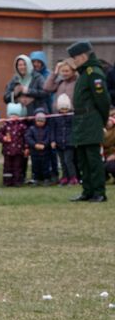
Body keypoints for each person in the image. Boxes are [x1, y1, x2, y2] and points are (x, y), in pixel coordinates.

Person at [67, 40, 110, 202]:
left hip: (91, 119)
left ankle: (99, 192)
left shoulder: (94, 73)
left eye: (75, 57)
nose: (74, 61)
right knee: (82, 158)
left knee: (93, 158)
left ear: (84, 56)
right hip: (80, 120)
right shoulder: (84, 73)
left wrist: (104, 120)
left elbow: (103, 100)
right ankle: (87, 191)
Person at [0, 104, 29, 187]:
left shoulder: (22, 126)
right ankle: (7, 182)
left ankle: (17, 181)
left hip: (18, 151)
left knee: (17, 166)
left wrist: (26, 148)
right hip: (7, 150)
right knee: (7, 167)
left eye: (16, 115)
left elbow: (26, 137)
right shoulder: (5, 125)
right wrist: (3, 138)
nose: (13, 117)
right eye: (12, 115)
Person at [51, 94, 77, 185]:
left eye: (66, 109)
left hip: (69, 143)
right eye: (62, 109)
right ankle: (65, 177)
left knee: (68, 161)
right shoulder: (55, 118)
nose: (64, 111)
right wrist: (53, 140)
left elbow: (75, 129)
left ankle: (73, 177)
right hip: (59, 143)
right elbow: (53, 130)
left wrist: (74, 140)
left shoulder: (72, 117)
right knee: (62, 162)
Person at [26, 111, 56, 184]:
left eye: (42, 121)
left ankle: (46, 178)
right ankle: (36, 178)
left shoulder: (47, 129)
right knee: (35, 166)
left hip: (45, 152)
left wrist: (44, 145)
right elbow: (28, 137)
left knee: (45, 166)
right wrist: (35, 145)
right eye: (38, 121)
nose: (40, 123)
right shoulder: (31, 129)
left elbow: (49, 138)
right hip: (34, 152)